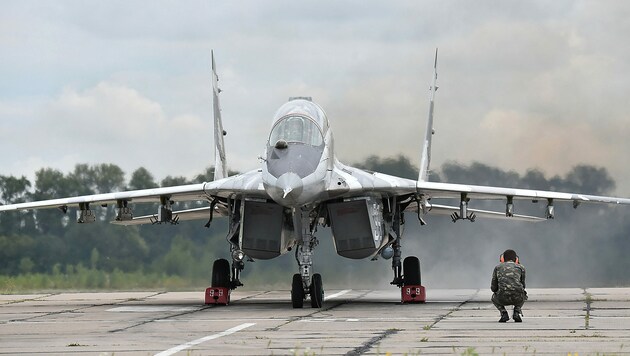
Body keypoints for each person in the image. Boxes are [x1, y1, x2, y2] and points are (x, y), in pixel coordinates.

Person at [491, 249, 527, 322]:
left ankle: (503, 313)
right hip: (517, 298)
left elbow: (493, 287)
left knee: (493, 298)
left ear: (503, 258)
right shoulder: (521, 268)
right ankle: (516, 311)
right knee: (524, 295)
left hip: (502, 298)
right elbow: (523, 286)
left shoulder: (498, 267)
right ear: (516, 259)